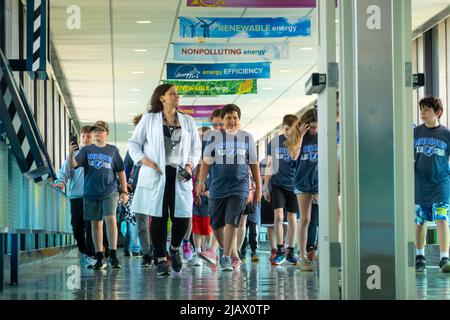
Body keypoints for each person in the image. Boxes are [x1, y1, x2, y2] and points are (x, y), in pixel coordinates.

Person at [128, 84, 201, 276]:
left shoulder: (188, 121)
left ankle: (174, 249)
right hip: (157, 174)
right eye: (172, 93)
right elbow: (133, 144)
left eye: (177, 93)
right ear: (161, 98)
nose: (177, 96)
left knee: (182, 218)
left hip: (180, 176)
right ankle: (160, 258)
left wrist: (189, 165)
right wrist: (146, 161)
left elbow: (196, 148)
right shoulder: (149, 119)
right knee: (158, 217)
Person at [195, 104, 262, 271]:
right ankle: (232, 254)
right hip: (217, 187)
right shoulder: (213, 137)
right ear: (222, 121)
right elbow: (206, 162)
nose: (232, 121)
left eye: (235, 118)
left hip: (239, 186)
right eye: (228, 118)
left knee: (232, 219)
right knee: (216, 224)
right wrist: (201, 181)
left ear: (239, 120)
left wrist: (259, 188)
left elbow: (254, 164)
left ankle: (225, 256)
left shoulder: (247, 138)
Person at [72, 120, 128, 270]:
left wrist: (124, 191)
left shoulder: (112, 150)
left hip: (109, 191)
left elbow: (121, 171)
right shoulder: (86, 150)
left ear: (106, 133)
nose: (97, 132)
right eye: (95, 130)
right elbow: (74, 165)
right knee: (96, 223)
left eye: (100, 130)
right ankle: (99, 256)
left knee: (110, 219)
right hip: (90, 192)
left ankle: (114, 255)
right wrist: (72, 152)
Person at [414, 97, 450, 273]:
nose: (423, 113)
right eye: (421, 109)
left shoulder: (446, 134)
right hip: (419, 183)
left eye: (427, 109)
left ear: (438, 112)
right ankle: (419, 255)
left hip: (440, 183)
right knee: (420, 221)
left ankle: (444, 257)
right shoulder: (414, 133)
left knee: (441, 218)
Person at [53, 125, 96, 268]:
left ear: (93, 138)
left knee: (91, 228)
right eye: (83, 136)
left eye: (88, 136)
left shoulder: (96, 155)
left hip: (91, 197)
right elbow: (64, 172)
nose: (85, 139)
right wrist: (60, 182)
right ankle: (84, 251)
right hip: (76, 197)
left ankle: (92, 255)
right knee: (76, 228)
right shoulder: (73, 156)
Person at [264, 115, 300, 266]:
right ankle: (280, 250)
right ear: (282, 127)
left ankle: (291, 250)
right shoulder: (274, 142)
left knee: (292, 218)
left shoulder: (298, 141)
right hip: (277, 183)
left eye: (291, 130)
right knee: (278, 216)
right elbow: (270, 164)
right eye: (286, 129)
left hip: (293, 184)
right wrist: (266, 185)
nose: (288, 132)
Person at [286, 107, 318, 271]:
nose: (314, 130)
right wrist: (301, 136)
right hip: (301, 181)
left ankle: (323, 250)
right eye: (311, 127)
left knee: (328, 216)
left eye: (316, 126)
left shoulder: (323, 134)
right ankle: (302, 255)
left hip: (320, 181)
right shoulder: (297, 136)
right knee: (304, 219)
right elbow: (293, 156)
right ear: (304, 125)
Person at [123, 114, 143, 259]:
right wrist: (124, 187)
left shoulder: (156, 145)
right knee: (134, 218)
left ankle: (146, 247)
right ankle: (136, 247)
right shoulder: (132, 149)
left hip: (155, 187)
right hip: (136, 188)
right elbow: (124, 169)